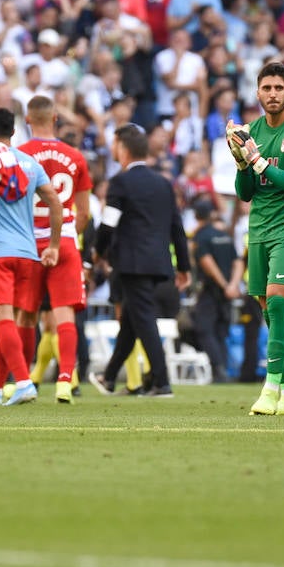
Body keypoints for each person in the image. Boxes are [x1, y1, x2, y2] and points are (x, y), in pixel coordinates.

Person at [224, 60, 284, 416]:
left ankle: (269, 390)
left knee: (280, 304)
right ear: (257, 93)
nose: (273, 94)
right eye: (266, 88)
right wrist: (242, 164)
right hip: (259, 229)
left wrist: (260, 162)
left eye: (279, 88)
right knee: (271, 313)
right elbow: (245, 193)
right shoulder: (251, 131)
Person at [0, 106, 64, 406]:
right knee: (12, 321)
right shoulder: (30, 163)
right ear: (13, 131)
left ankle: (23, 382)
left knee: (3, 321)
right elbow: (55, 202)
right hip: (28, 254)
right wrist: (54, 245)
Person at [91, 122, 189, 400]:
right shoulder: (164, 183)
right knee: (132, 321)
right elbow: (177, 227)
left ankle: (162, 382)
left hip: (131, 262)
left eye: (114, 143)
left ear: (123, 148)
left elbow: (108, 224)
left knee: (143, 319)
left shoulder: (120, 182)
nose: (112, 148)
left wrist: (97, 252)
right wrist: (184, 266)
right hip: (158, 262)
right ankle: (109, 377)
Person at [20, 94, 93, 404]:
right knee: (65, 315)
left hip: (28, 242)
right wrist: (66, 234)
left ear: (27, 120)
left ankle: (23, 380)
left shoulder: (20, 155)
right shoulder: (75, 156)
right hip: (64, 241)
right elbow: (84, 213)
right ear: (55, 118)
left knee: (26, 315)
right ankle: (65, 381)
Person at [191, 198, 241, 384]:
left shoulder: (201, 236)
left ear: (196, 216)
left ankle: (218, 370)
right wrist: (233, 285)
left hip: (211, 290)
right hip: (227, 293)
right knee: (220, 332)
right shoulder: (224, 236)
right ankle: (223, 372)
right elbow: (237, 263)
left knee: (204, 329)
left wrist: (224, 285)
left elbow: (207, 262)